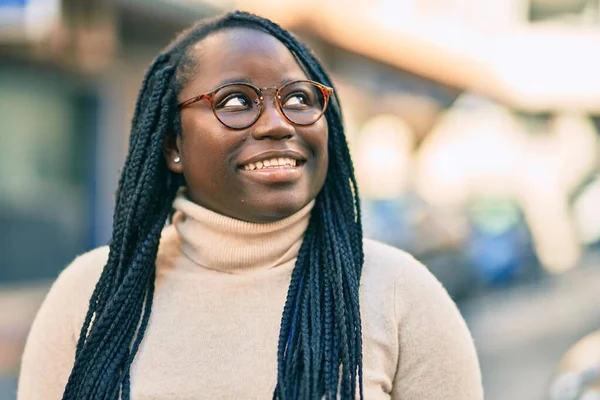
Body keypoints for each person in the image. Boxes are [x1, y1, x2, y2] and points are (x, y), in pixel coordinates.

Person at [17, 11, 483, 400]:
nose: (278, 123)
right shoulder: (89, 295)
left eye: (299, 98)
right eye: (236, 101)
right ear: (173, 145)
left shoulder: (400, 295)